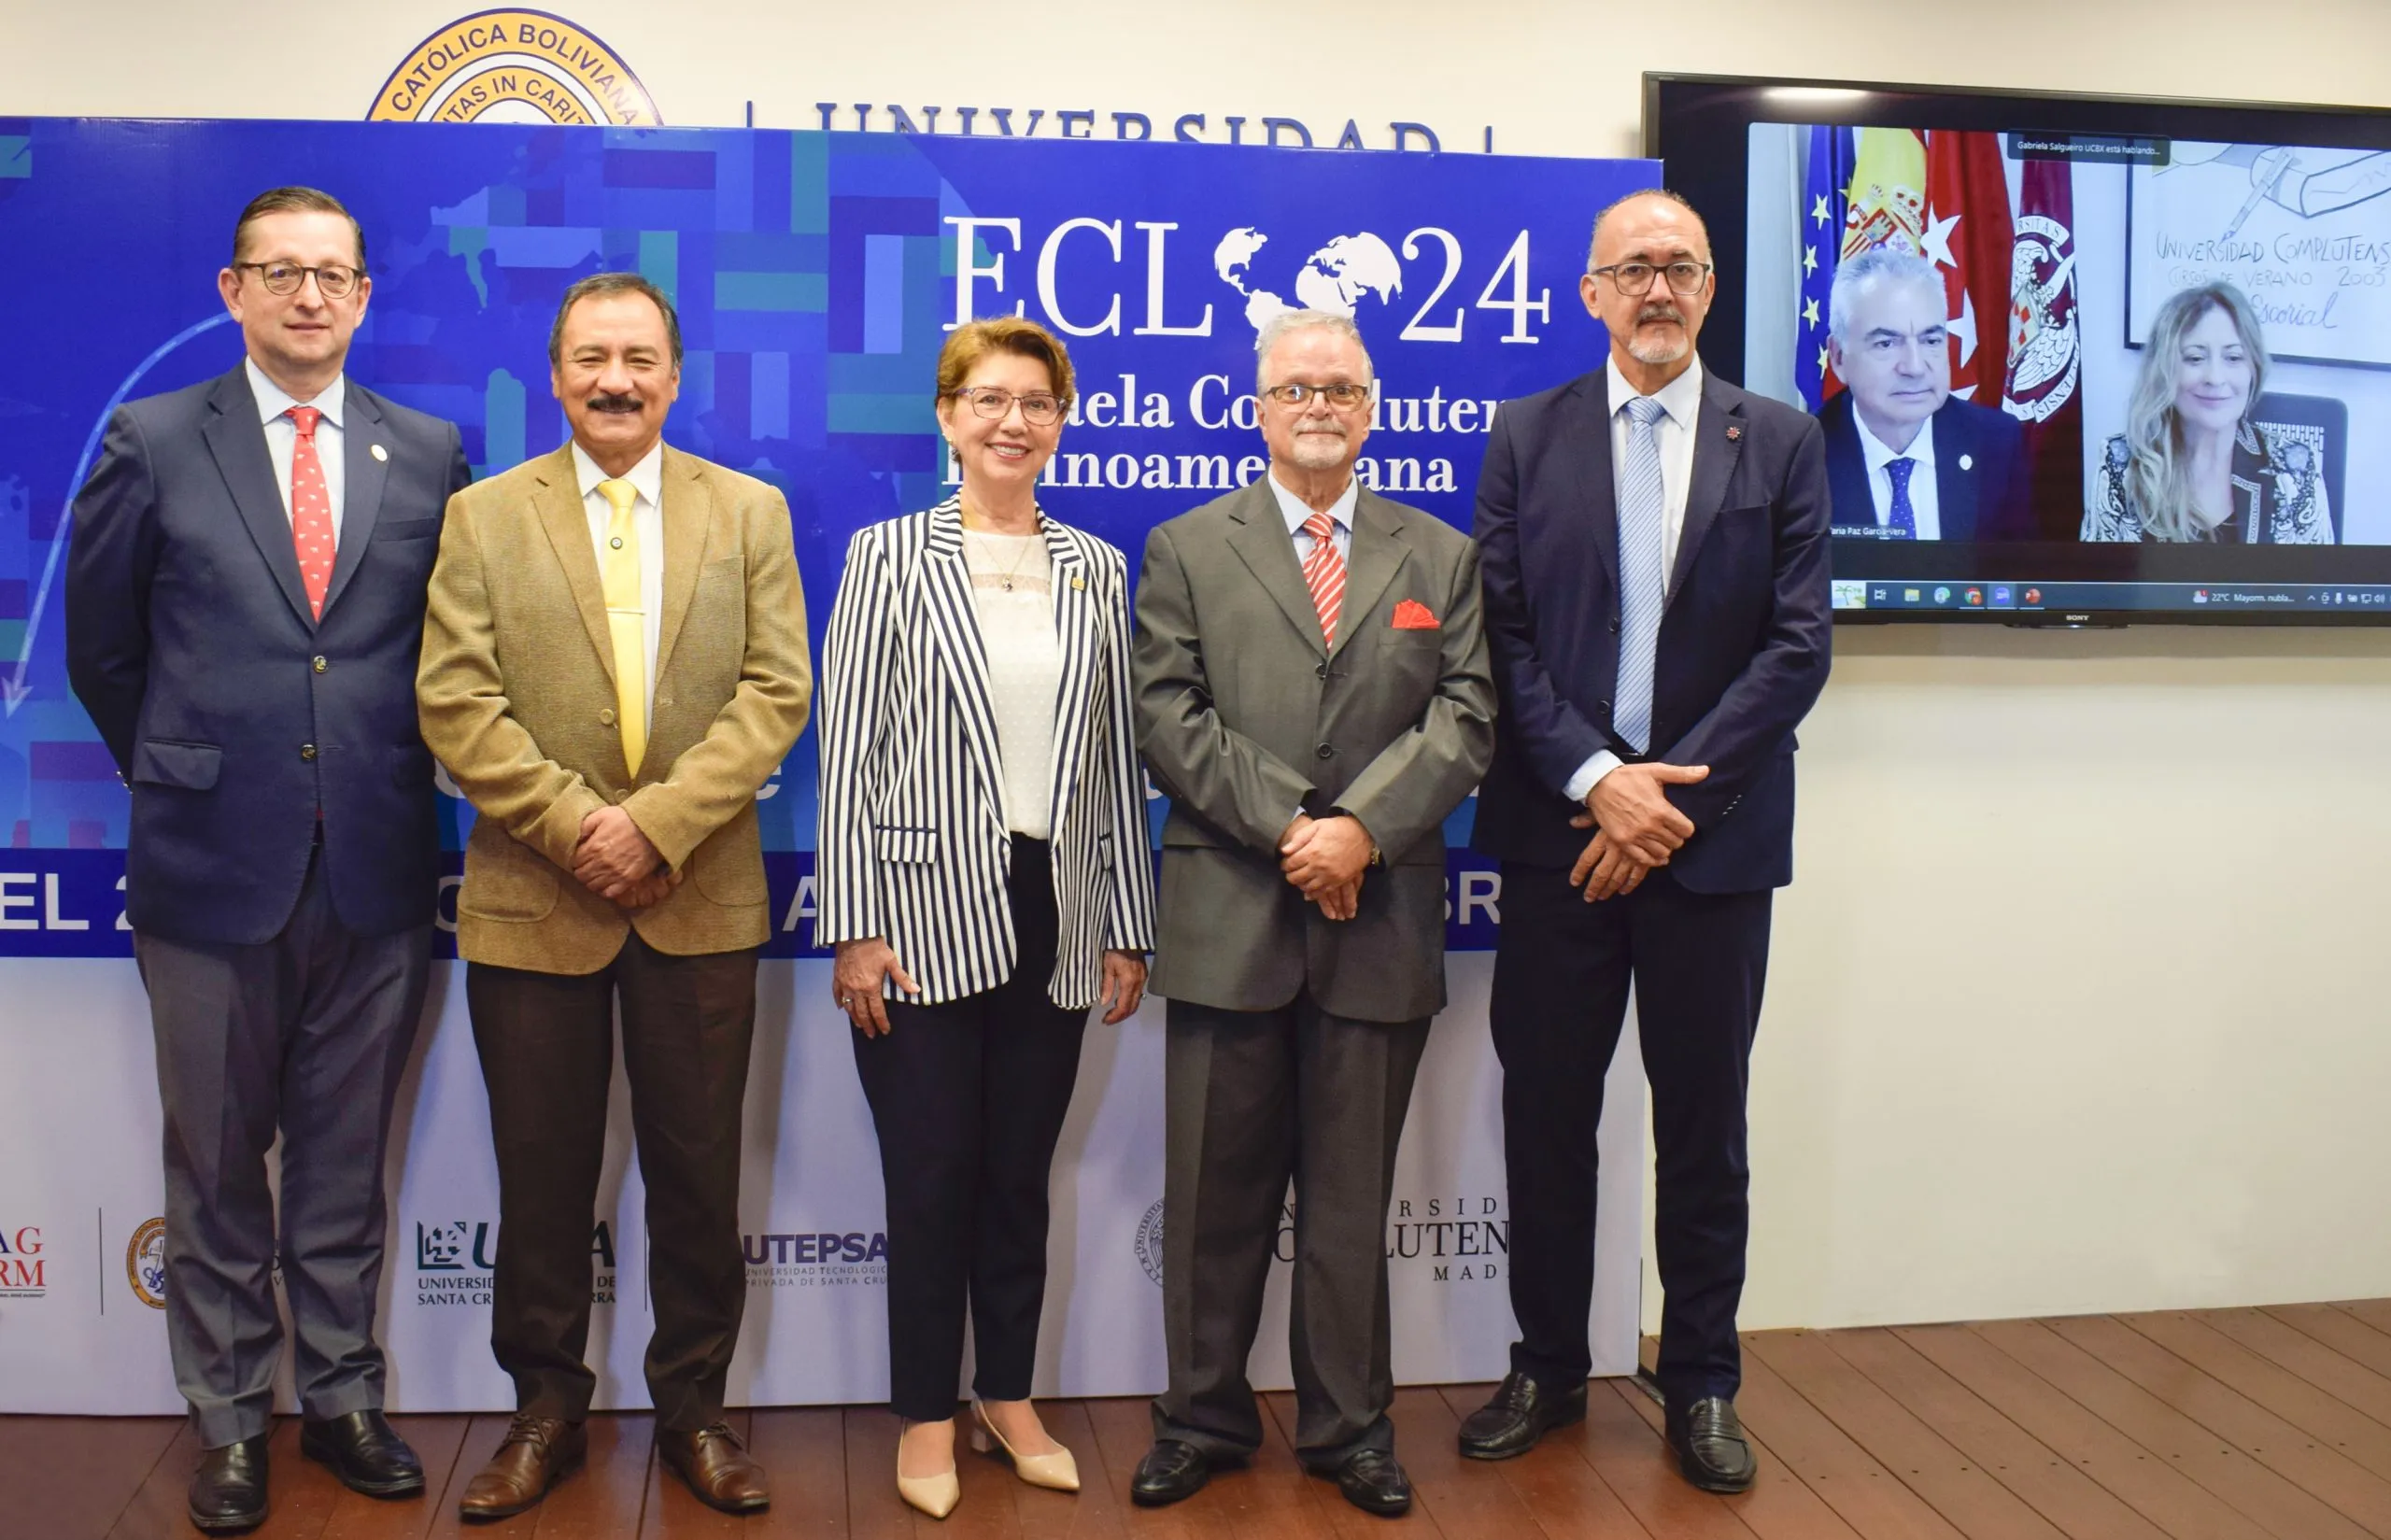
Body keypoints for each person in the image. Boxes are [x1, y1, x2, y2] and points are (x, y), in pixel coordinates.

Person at [64, 187, 471, 1534]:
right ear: (232, 290)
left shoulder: (429, 451)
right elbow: (102, 650)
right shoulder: (153, 438)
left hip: (377, 863)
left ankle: (344, 1397)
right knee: (217, 1162)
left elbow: (445, 653)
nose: (309, 295)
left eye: (332, 274)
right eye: (280, 271)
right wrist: (190, 769)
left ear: (363, 297)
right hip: (206, 866)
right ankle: (233, 1418)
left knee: (346, 1161)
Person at [417, 272, 812, 1519]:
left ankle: (695, 1411)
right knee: (541, 1183)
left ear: (675, 377)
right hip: (535, 900)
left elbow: (776, 691)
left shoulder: (748, 510)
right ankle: (544, 1413)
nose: (615, 380)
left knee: (698, 1177)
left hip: (701, 897)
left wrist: (656, 825)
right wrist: (577, 825)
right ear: (556, 374)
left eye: (639, 358)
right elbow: (454, 702)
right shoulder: (483, 515)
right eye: (591, 357)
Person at [1461, 191, 1832, 1492]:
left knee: (1705, 1127)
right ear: (1591, 293)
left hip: (1709, 848)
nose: (1657, 288)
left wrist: (1664, 801)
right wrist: (1596, 780)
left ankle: (1704, 1381)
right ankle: (1548, 1367)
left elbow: (1797, 645)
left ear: (1710, 286)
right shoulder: (1525, 435)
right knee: (1547, 1116)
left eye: (1679, 266)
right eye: (1632, 269)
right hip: (1559, 839)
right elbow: (1500, 636)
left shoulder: (1779, 440)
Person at [1129, 309, 1495, 1519]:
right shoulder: (1187, 547)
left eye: (1340, 387)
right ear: (1260, 410)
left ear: (1373, 406)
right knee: (1211, 1202)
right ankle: (1201, 1418)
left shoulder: (1439, 555)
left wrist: (1361, 831)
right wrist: (1297, 827)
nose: (1319, 406)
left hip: (1376, 920)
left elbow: (1466, 718)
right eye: (1297, 389)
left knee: (1348, 1205)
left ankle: (1349, 1429)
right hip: (1230, 915)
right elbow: (1167, 714)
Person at [814, 316, 1157, 1519]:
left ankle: (1005, 1394)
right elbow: (848, 750)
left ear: (1061, 421)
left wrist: (1126, 921)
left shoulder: (1096, 567)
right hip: (915, 915)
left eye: (1037, 403)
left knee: (1017, 1176)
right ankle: (925, 1410)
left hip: (1057, 907)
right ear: (948, 415)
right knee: (931, 1176)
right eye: (990, 400)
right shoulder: (889, 556)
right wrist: (854, 923)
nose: (1014, 422)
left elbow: (1113, 758)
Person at [2083, 281, 2332, 544]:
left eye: (2233, 358)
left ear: (2253, 369)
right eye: (2195, 358)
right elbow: (2099, 570)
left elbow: (2319, 571)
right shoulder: (2119, 463)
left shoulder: (2295, 467)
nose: (2215, 378)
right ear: (2164, 371)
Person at [1818, 246, 2027, 542]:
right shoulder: (1802, 457)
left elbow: (2018, 567)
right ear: (1839, 358)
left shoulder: (1996, 442)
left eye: (1930, 341)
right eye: (1886, 344)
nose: (1915, 368)